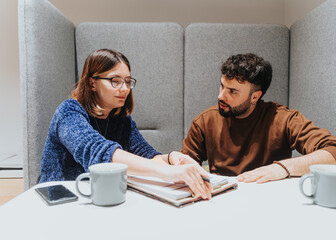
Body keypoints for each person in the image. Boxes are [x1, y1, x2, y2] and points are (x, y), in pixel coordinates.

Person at [39, 49, 211, 199]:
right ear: (92, 83)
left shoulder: (121, 120)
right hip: (62, 198)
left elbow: (147, 156)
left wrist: (173, 158)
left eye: (128, 81)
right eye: (115, 81)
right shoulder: (69, 112)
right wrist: (167, 172)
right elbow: (98, 153)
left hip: (99, 198)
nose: (124, 89)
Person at [181, 53, 336, 183]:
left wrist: (283, 168)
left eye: (232, 91)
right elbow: (182, 168)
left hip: (270, 200)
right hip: (222, 199)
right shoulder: (205, 121)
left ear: (255, 97)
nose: (221, 96)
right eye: (222, 86)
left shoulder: (282, 119)